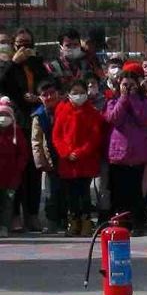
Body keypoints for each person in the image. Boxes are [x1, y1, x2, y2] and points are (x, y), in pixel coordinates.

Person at [3, 29, 48, 232]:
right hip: (15, 121)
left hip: (35, 121)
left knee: (34, 171)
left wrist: (39, 96)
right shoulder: (7, 65)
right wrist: (14, 62)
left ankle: (32, 214)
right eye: (20, 44)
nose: (24, 48)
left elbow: (48, 84)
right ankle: (14, 216)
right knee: (16, 172)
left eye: (27, 44)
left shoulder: (38, 63)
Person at [53, 79, 106, 237]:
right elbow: (57, 136)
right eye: (74, 93)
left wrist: (80, 152)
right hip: (67, 162)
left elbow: (95, 137)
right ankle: (73, 221)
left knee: (84, 194)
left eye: (81, 92)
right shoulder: (62, 111)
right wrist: (66, 152)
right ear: (68, 94)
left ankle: (86, 222)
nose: (78, 96)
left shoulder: (92, 112)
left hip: (86, 161)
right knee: (71, 195)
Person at [104, 71, 147, 233]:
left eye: (130, 84)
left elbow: (144, 119)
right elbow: (113, 118)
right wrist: (123, 99)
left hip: (138, 154)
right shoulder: (112, 102)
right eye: (124, 84)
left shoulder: (144, 102)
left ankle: (138, 222)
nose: (127, 87)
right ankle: (120, 222)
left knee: (137, 192)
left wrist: (133, 99)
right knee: (119, 191)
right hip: (119, 155)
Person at [30, 80, 64, 233]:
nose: (49, 97)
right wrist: (40, 162)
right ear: (40, 97)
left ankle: (66, 220)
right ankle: (52, 223)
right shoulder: (39, 115)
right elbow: (36, 141)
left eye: (52, 93)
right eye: (45, 95)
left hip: (66, 158)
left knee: (66, 191)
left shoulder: (65, 109)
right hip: (50, 160)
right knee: (51, 193)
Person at [0, 97, 28, 238]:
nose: (3, 118)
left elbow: (23, 153)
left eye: (6, 115)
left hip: (12, 176)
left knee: (8, 203)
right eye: (1, 115)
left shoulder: (17, 131)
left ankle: (4, 226)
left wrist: (18, 170)